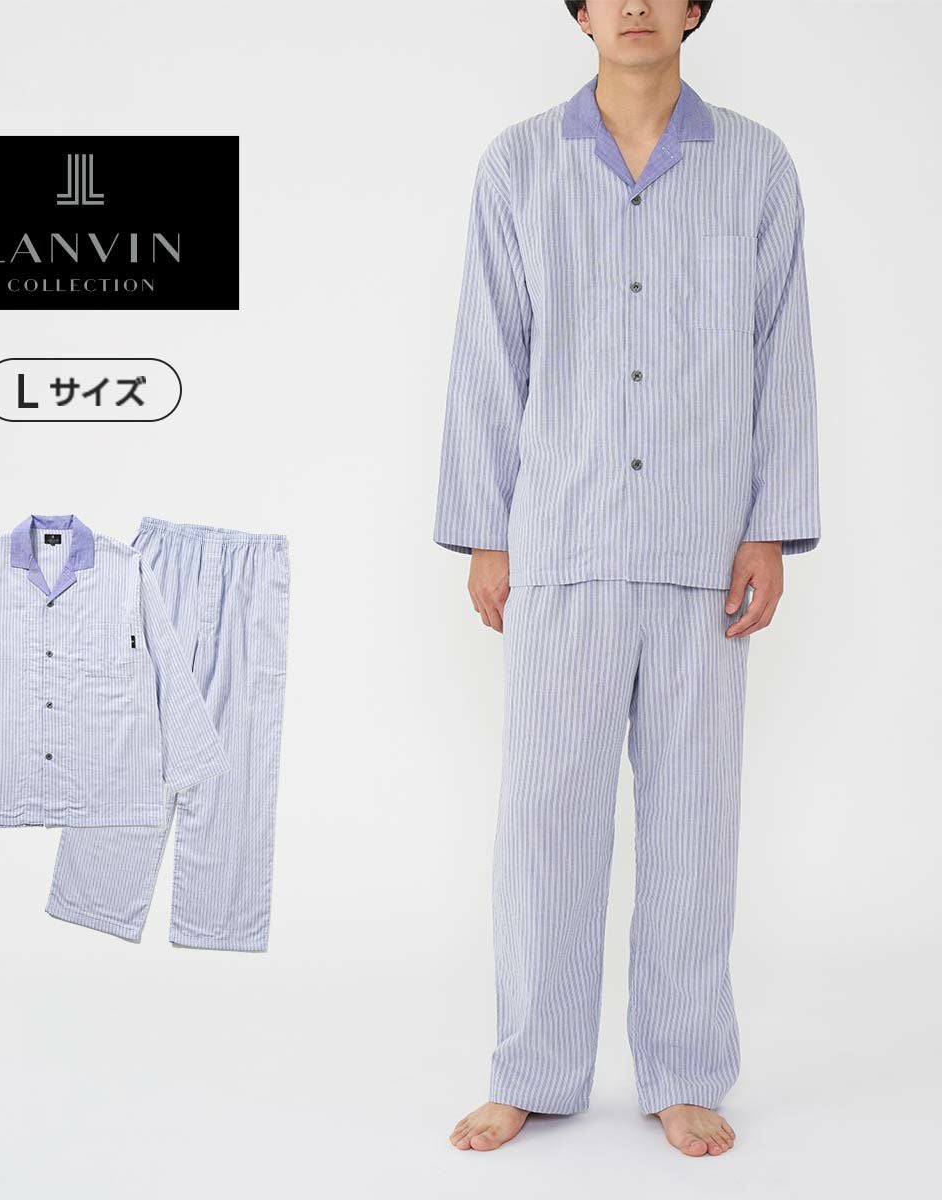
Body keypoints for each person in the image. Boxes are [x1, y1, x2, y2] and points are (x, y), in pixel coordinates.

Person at [435, 0, 819, 1158]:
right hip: (563, 537)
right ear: (582, 11)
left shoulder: (755, 166)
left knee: (695, 822)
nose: (636, 6)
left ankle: (686, 1069)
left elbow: (782, 349)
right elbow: (488, 350)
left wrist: (772, 527)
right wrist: (485, 531)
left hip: (705, 547)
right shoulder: (518, 166)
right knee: (547, 822)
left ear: (696, 8)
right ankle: (534, 1070)